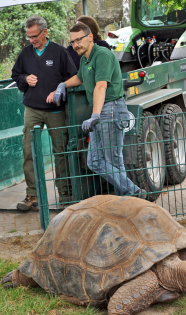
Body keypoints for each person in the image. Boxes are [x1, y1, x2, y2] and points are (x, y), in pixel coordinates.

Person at [48, 23, 146, 199]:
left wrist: (95, 115)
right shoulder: (85, 59)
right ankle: (132, 192)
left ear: (90, 37)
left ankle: (127, 199)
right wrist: (62, 84)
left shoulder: (102, 55)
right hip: (101, 110)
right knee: (94, 161)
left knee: (114, 160)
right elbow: (80, 77)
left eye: (79, 40)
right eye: (72, 42)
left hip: (111, 110)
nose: (75, 45)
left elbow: (101, 87)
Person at [11, 15, 77, 211]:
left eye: (35, 36)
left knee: (61, 151)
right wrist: (24, 79)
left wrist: (58, 90)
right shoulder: (25, 54)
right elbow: (15, 76)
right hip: (32, 109)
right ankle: (32, 195)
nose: (32, 40)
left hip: (56, 110)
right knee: (29, 152)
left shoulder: (60, 52)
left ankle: (65, 192)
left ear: (45, 32)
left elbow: (73, 77)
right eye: (29, 36)